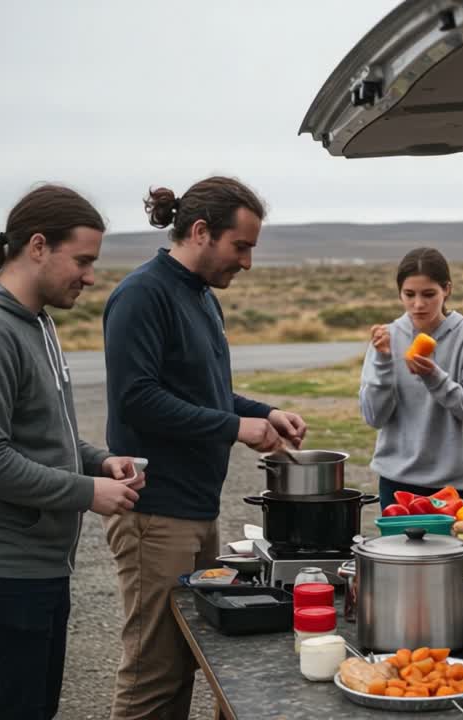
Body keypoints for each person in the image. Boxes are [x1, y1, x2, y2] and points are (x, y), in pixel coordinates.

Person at [0, 184, 145, 720]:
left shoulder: (37, 322)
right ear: (36, 247)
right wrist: (86, 492)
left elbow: (46, 434)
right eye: (83, 260)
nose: (91, 277)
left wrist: (96, 461)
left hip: (35, 565)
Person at [101, 176, 307, 720]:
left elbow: (205, 393)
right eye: (240, 246)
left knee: (190, 660)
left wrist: (262, 413)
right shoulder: (142, 294)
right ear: (200, 232)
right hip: (153, 512)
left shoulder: (199, 297)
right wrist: (233, 428)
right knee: (154, 671)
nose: (246, 262)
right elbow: (138, 399)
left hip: (193, 508)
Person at [361, 247, 463, 508]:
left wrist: (435, 378)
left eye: (429, 294)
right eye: (409, 295)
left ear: (447, 290)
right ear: (399, 293)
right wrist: (384, 361)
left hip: (451, 485)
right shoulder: (387, 337)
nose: (418, 304)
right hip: (395, 480)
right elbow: (374, 417)